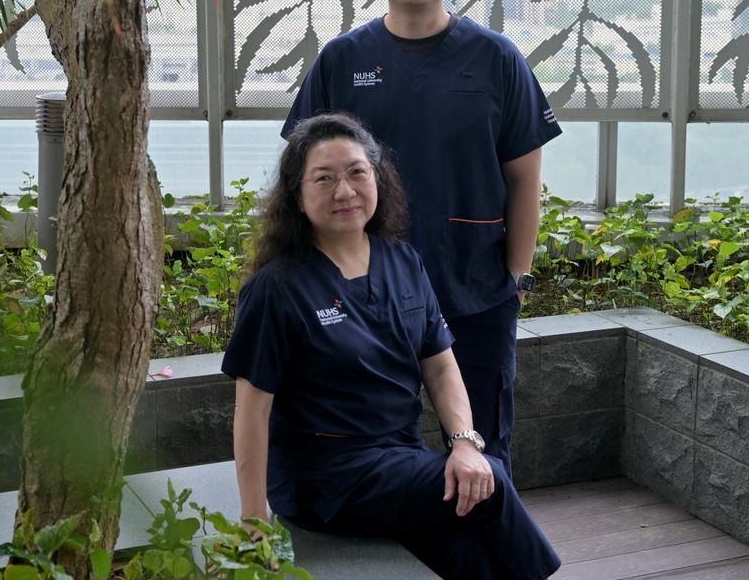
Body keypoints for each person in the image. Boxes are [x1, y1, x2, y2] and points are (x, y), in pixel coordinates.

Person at [282, 0, 562, 476]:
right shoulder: (342, 60)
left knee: (484, 445)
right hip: (365, 294)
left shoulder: (497, 60)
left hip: (475, 288)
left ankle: (490, 548)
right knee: (381, 450)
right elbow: (304, 178)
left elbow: (524, 179)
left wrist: (516, 276)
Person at [223, 113, 560, 579]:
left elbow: (441, 368)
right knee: (494, 480)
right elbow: (252, 410)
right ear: (297, 196)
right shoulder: (277, 289)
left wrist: (463, 443)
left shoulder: (402, 261)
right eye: (324, 179)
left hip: (402, 461)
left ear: (378, 179)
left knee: (469, 550)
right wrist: (253, 517)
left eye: (357, 173)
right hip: (328, 479)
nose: (345, 191)